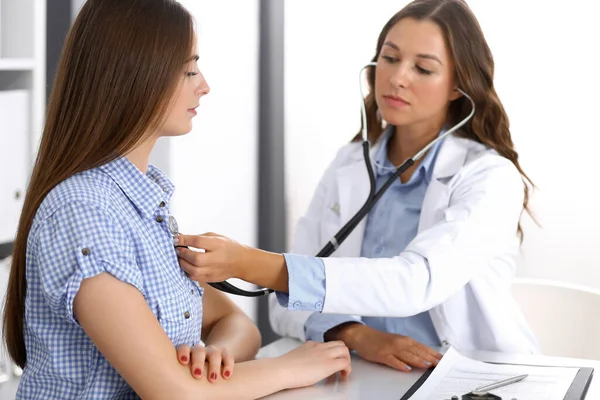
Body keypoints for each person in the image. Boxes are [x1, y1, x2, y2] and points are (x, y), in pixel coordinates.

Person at [1, 0, 351, 399]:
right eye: (188, 70)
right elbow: (176, 394)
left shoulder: (145, 206)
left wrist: (216, 358)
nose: (203, 84)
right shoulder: (84, 211)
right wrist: (290, 368)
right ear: (134, 76)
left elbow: (237, 326)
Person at [175, 0, 540, 372]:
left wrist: (252, 263)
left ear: (458, 87)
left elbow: (417, 282)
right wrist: (355, 334)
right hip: (363, 372)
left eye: (423, 68)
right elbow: (283, 307)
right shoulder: (348, 165)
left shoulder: (489, 178)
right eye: (390, 58)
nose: (398, 77)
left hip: (469, 375)